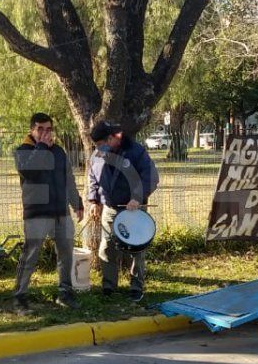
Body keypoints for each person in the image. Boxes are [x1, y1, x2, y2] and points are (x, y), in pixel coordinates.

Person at [13, 113, 84, 313]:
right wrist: (42, 147)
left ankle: (65, 292)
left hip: (61, 212)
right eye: (40, 129)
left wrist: (77, 203)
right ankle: (19, 296)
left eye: (48, 129)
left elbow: (68, 179)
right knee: (31, 254)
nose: (45, 133)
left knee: (66, 253)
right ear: (31, 130)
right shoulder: (23, 150)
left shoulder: (59, 152)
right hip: (37, 213)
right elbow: (29, 172)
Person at [87, 121, 158, 303]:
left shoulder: (136, 151)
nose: (98, 149)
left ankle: (136, 287)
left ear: (112, 138)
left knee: (136, 250)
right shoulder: (97, 155)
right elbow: (92, 178)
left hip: (133, 210)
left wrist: (137, 198)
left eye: (101, 144)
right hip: (110, 209)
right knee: (107, 247)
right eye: (96, 145)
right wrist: (94, 201)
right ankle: (109, 286)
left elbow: (151, 177)